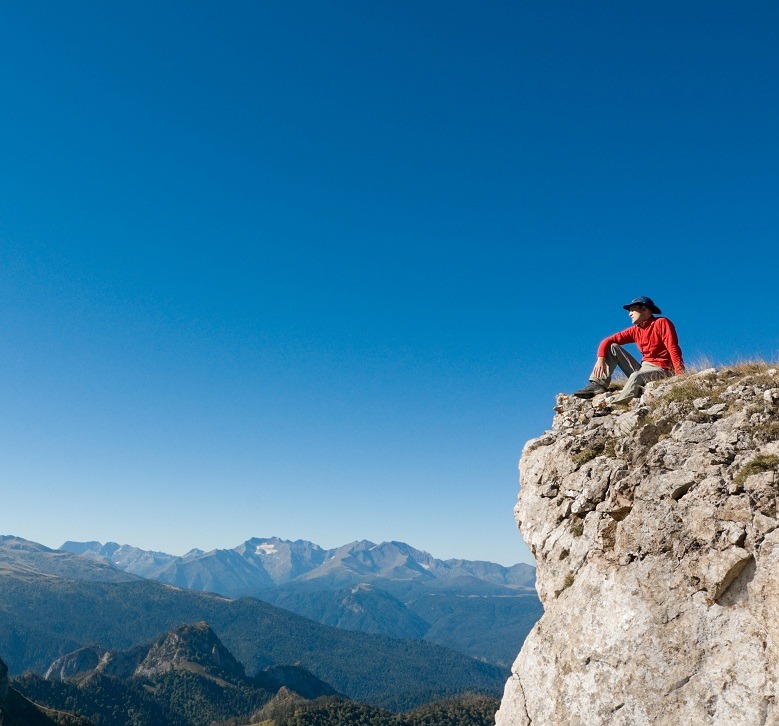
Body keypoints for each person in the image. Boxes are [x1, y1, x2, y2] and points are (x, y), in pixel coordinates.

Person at [573, 296, 684, 403]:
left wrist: (680, 374)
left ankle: (616, 404)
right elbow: (607, 340)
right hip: (643, 369)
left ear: (644, 309)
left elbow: (673, 348)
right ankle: (597, 384)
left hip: (662, 370)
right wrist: (600, 358)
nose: (629, 314)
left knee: (635, 376)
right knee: (613, 347)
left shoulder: (661, 323)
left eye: (632, 310)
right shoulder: (635, 330)